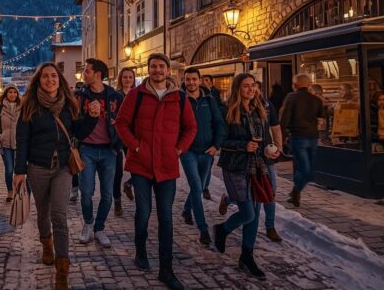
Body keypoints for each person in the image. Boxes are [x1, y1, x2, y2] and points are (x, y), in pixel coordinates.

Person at [12, 63, 99, 290]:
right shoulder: (30, 106)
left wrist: (91, 118)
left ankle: (62, 272)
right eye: (45, 77)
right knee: (43, 213)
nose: (50, 80)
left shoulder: (68, 105)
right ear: (38, 81)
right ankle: (46, 243)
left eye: (53, 76)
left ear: (59, 79)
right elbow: (22, 141)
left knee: (59, 215)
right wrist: (19, 171)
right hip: (37, 169)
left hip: (62, 167)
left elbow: (79, 133)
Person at [115, 53, 197, 290]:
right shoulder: (135, 95)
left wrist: (179, 149)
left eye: (161, 66)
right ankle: (140, 250)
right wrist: (136, 146)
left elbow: (191, 127)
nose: (158, 70)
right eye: (154, 66)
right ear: (149, 70)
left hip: (167, 165)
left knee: (166, 217)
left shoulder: (180, 98)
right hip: (141, 164)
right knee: (143, 212)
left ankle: (166, 268)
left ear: (168, 70)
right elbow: (121, 123)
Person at [213, 73, 272, 280]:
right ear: (238, 88)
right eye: (246, 86)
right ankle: (222, 229)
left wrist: (269, 151)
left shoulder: (259, 110)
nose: (250, 89)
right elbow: (221, 141)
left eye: (253, 86)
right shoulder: (227, 110)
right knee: (248, 213)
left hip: (257, 165)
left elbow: (264, 139)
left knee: (254, 214)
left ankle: (247, 256)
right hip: (235, 166)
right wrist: (242, 145)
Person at [74, 58, 123, 247]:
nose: (84, 74)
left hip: (109, 150)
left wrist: (117, 131)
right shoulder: (79, 96)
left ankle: (100, 228)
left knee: (107, 194)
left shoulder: (115, 96)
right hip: (87, 149)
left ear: (98, 75)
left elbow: (125, 121)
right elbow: (73, 122)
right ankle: (88, 224)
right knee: (86, 192)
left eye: (87, 71)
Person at [179, 68, 225, 246]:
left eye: (194, 79)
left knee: (202, 185)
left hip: (207, 151)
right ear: (184, 81)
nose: (191, 83)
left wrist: (216, 145)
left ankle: (186, 209)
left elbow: (219, 123)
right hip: (188, 151)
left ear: (200, 81)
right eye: (188, 80)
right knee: (197, 187)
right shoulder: (180, 101)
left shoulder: (209, 100)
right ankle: (203, 229)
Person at [280, 74, 325, 207]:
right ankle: (295, 193)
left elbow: (284, 119)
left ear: (295, 85)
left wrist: (281, 138)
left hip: (298, 136)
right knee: (306, 168)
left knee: (304, 168)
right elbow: (322, 116)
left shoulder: (291, 97)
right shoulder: (316, 100)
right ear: (309, 85)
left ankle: (295, 192)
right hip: (313, 136)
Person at [255, 80, 283, 243]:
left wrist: (278, 148)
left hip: (266, 154)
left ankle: (270, 226)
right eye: (249, 87)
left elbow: (276, 127)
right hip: (248, 156)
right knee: (251, 192)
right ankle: (229, 199)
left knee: (270, 191)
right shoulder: (239, 106)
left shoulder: (267, 105)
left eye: (256, 88)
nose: (253, 91)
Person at [0, 85, 22, 202]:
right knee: (9, 169)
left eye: (14, 92)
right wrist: (0, 136)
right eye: (10, 92)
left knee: (19, 169)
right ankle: (10, 191)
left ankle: (19, 190)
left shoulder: (22, 108)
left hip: (19, 144)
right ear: (6, 94)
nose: (12, 94)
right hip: (5, 144)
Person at [114, 67, 136, 216]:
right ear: (120, 79)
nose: (128, 80)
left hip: (132, 135)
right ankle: (117, 202)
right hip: (117, 136)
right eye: (125, 77)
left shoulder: (137, 94)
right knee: (118, 172)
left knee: (138, 166)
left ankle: (129, 184)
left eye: (130, 77)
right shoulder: (116, 95)